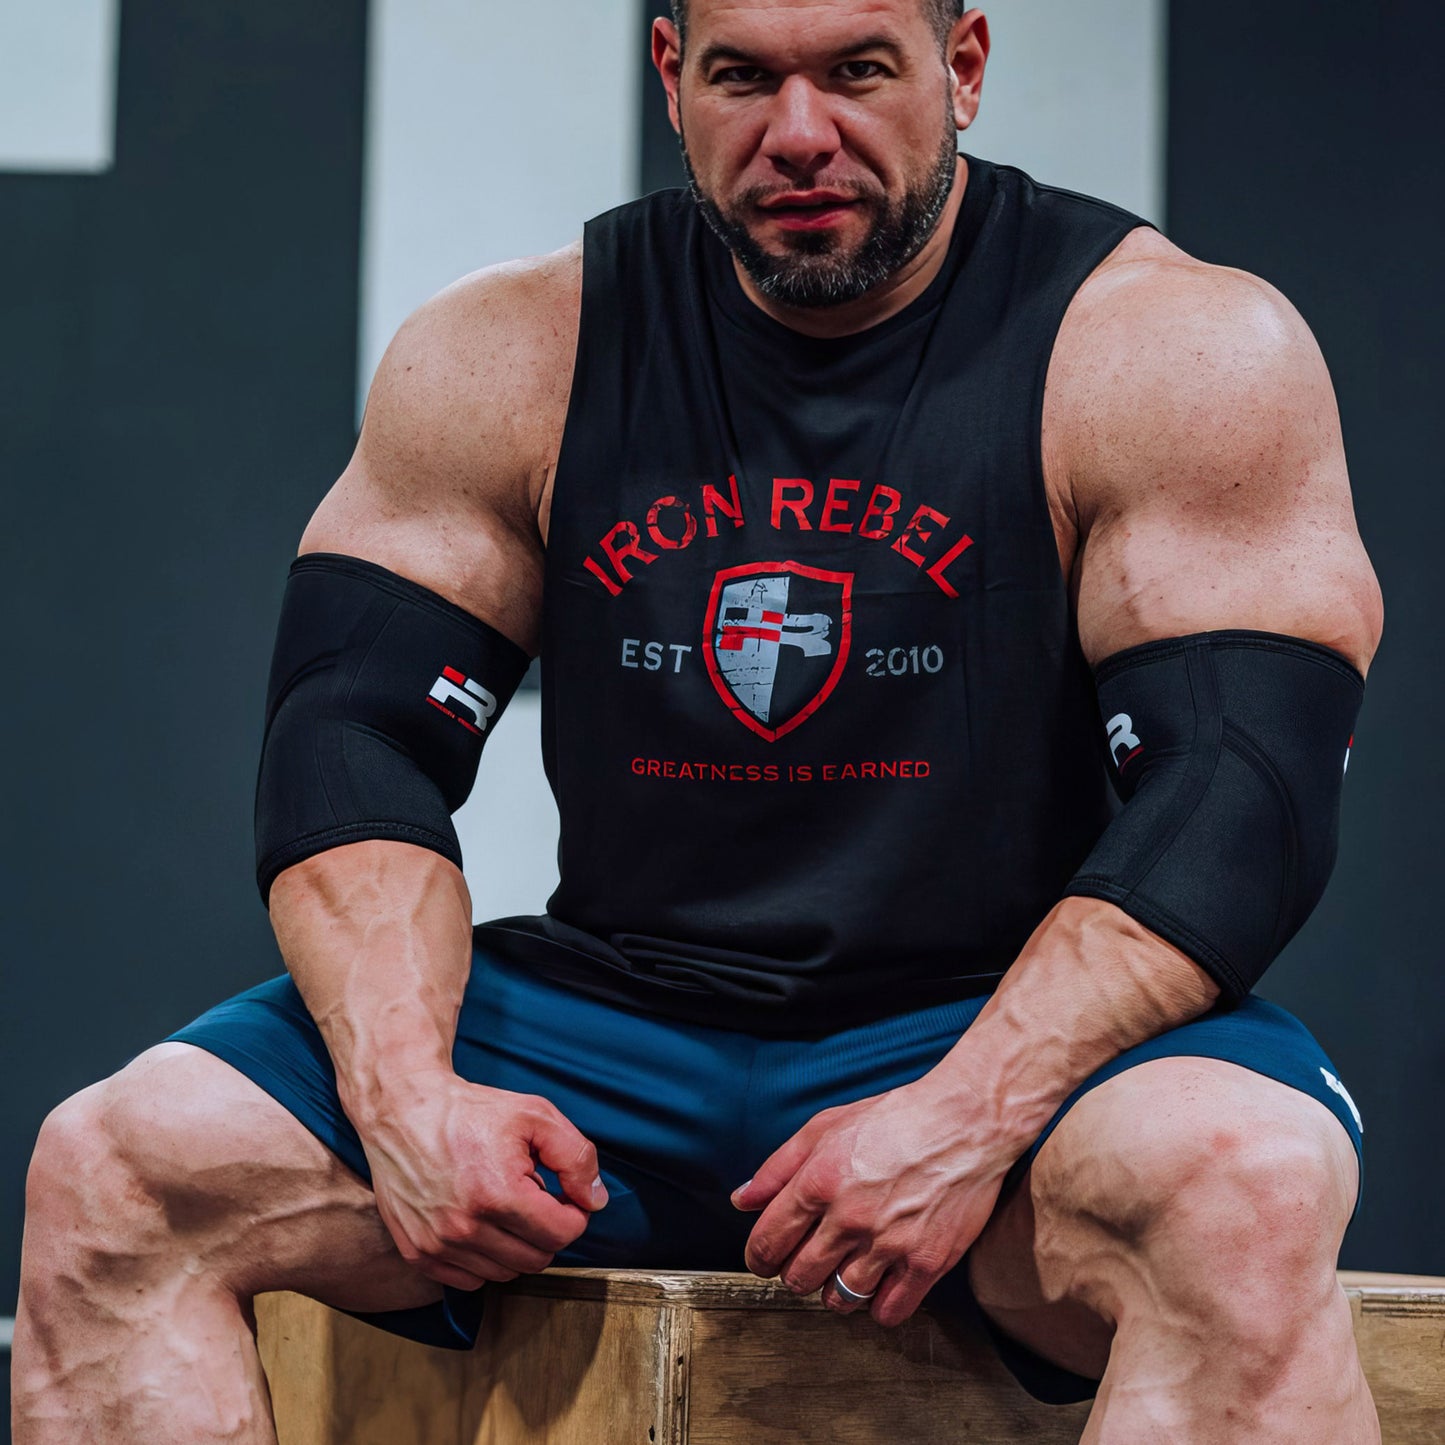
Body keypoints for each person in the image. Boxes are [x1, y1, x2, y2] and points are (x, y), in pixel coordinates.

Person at [14, 2, 1384, 1440]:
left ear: (964, 67)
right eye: (743, 76)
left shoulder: (1166, 351)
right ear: (671, 76)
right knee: (119, 1171)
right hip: (610, 1041)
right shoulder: (517, 349)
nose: (798, 134)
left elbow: (1239, 793)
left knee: (1243, 1189)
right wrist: (405, 1095)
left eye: (857, 71)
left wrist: (965, 1115)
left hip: (994, 1027)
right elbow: (350, 740)